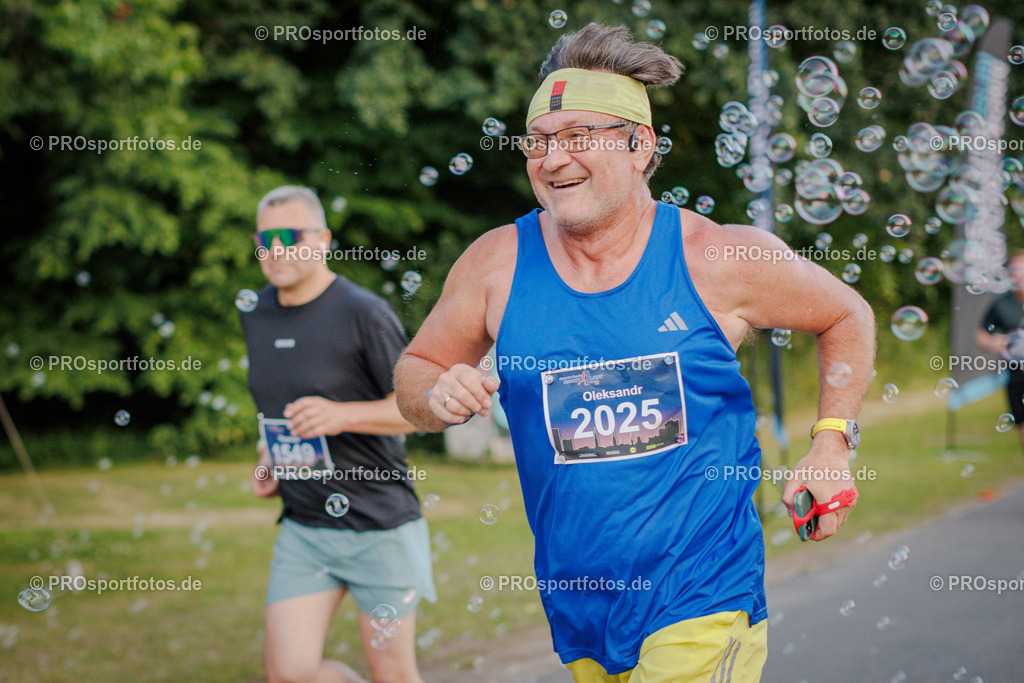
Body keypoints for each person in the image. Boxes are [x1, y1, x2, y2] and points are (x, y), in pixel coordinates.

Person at [393, 23, 875, 682]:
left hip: (703, 591)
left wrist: (830, 442)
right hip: (579, 606)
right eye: (537, 143)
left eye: (576, 138)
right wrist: (437, 393)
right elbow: (413, 376)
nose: (552, 159)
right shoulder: (496, 265)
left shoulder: (718, 257)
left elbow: (846, 313)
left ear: (639, 143)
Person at [242, 185, 435, 683]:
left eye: (289, 235)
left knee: (392, 673)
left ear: (324, 239)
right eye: (265, 238)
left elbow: (415, 409)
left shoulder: (363, 313)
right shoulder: (256, 313)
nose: (275, 249)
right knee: (289, 673)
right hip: (306, 527)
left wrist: (340, 416)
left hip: (379, 525)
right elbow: (278, 408)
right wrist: (269, 455)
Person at [976, 251, 1024, 452]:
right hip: (1016, 375)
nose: (1017, 275)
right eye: (1013, 271)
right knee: (1022, 426)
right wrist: (991, 342)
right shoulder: (1001, 304)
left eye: (1022, 270)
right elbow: (981, 334)